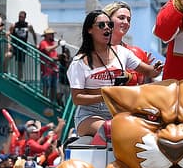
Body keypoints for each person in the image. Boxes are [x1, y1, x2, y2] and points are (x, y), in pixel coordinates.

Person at [67, 9, 157, 141]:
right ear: (89, 30)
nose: (107, 28)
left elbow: (149, 71)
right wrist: (105, 97)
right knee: (112, 130)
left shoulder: (122, 52)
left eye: (109, 24)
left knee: (142, 131)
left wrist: (157, 69)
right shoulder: (79, 62)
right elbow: (77, 98)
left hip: (117, 111)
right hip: (90, 115)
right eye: (101, 25)